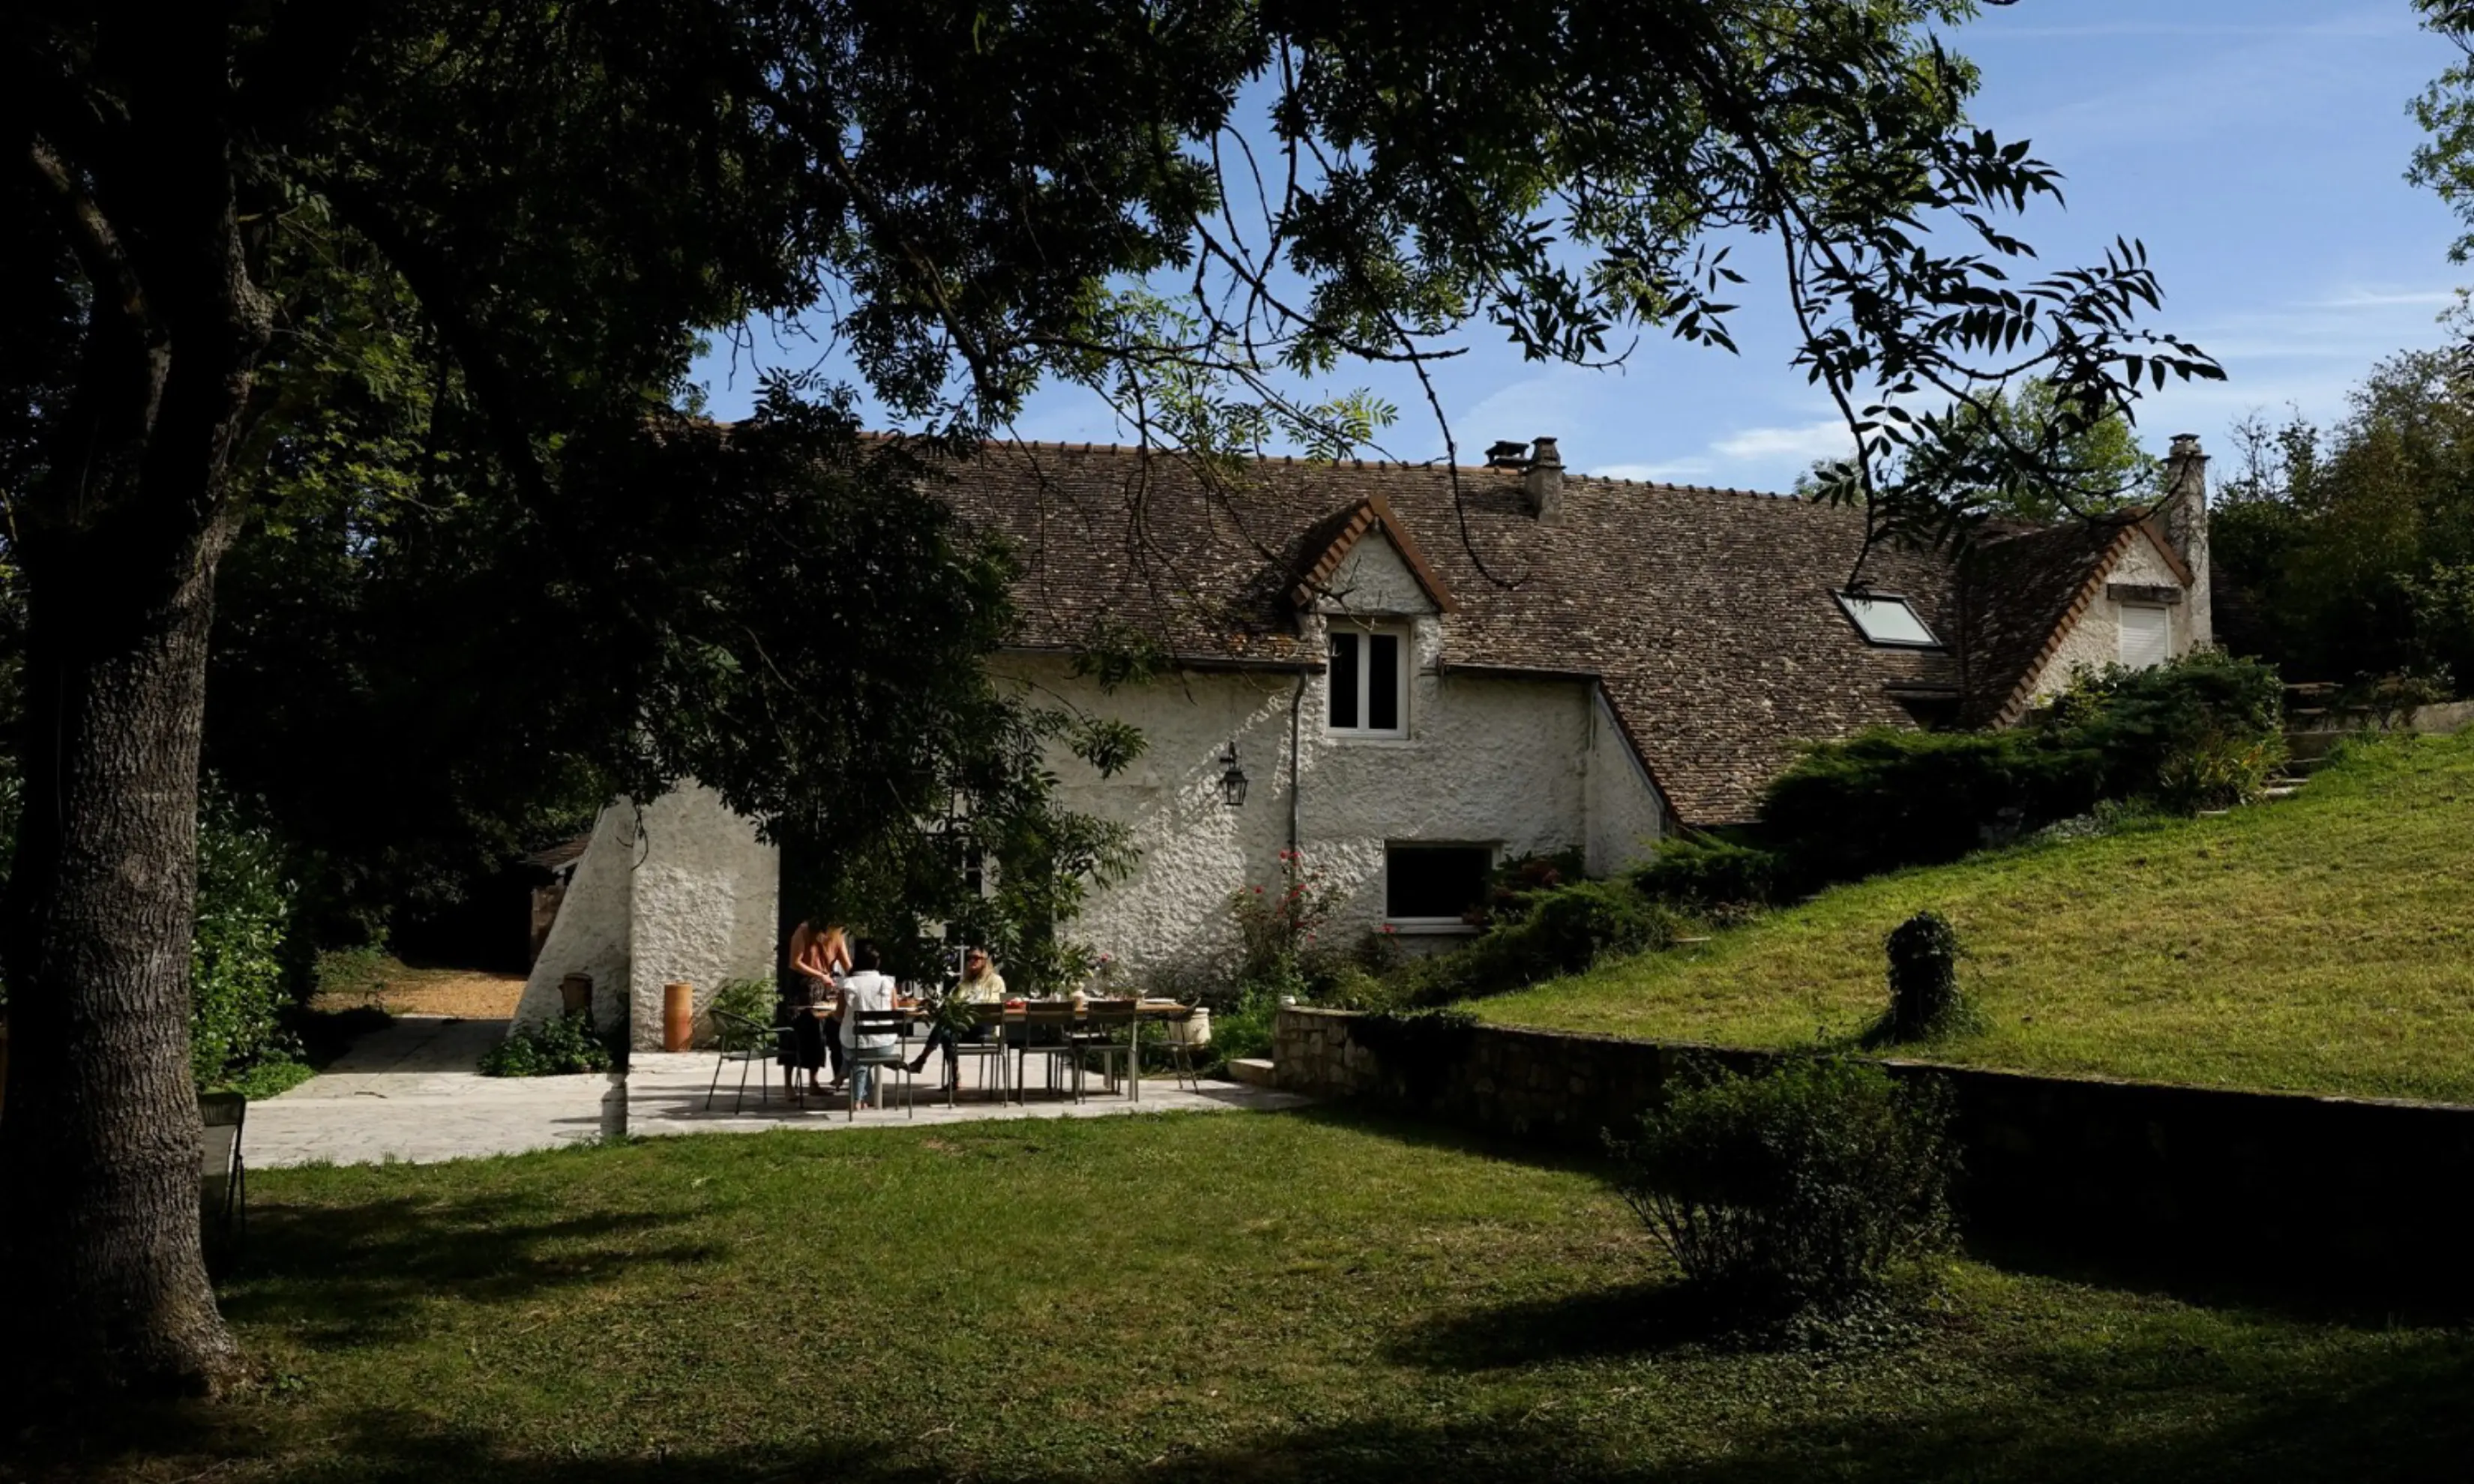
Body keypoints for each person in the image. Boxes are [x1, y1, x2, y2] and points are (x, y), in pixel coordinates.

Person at [909, 946, 1005, 1078]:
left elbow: (995, 1003)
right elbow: (951, 1002)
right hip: (965, 1026)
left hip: (985, 1026)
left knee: (945, 1027)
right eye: (969, 958)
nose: (972, 961)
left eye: (976, 958)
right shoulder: (964, 982)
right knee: (946, 1033)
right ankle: (955, 1077)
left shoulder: (995, 980)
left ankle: (922, 1059)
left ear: (985, 961)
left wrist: (968, 1005)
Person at [781, 922, 849, 1097]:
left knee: (818, 1035)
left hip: (820, 987)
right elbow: (795, 963)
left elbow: (848, 966)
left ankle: (814, 1082)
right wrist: (821, 975)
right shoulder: (803, 931)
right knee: (794, 1034)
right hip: (800, 986)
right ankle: (789, 1086)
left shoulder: (837, 935)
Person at [837, 939, 901, 1106]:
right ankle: (863, 1097)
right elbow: (895, 1012)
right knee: (863, 1051)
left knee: (855, 1049)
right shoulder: (887, 984)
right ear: (877, 962)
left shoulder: (848, 984)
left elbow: (838, 1015)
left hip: (856, 1046)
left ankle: (857, 1096)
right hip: (885, 1045)